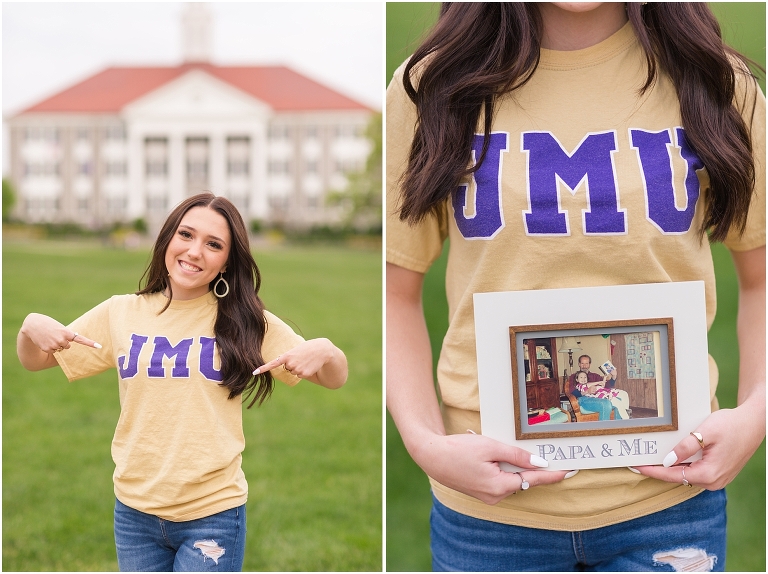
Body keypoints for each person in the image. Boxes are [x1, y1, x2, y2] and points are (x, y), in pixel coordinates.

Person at [386, 2, 764, 571]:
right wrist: (425, 442)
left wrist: (756, 413)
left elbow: (760, 281)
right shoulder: (433, 85)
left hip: (669, 508)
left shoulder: (716, 81)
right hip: (490, 521)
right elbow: (394, 292)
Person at [17, 193, 348, 572]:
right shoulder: (121, 312)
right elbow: (36, 361)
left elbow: (334, 378)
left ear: (227, 261)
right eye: (186, 235)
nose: (194, 251)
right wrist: (29, 327)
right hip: (134, 513)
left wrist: (326, 350)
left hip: (213, 514)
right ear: (167, 239)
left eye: (213, 244)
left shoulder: (246, 321)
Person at [568, 354, 618, 420]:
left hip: (598, 398)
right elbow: (572, 391)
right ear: (579, 364)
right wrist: (586, 392)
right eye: (582, 363)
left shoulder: (595, 376)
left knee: (618, 401)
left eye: (586, 363)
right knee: (606, 403)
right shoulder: (574, 376)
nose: (584, 366)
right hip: (584, 399)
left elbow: (607, 386)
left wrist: (614, 376)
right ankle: (603, 429)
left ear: (589, 364)